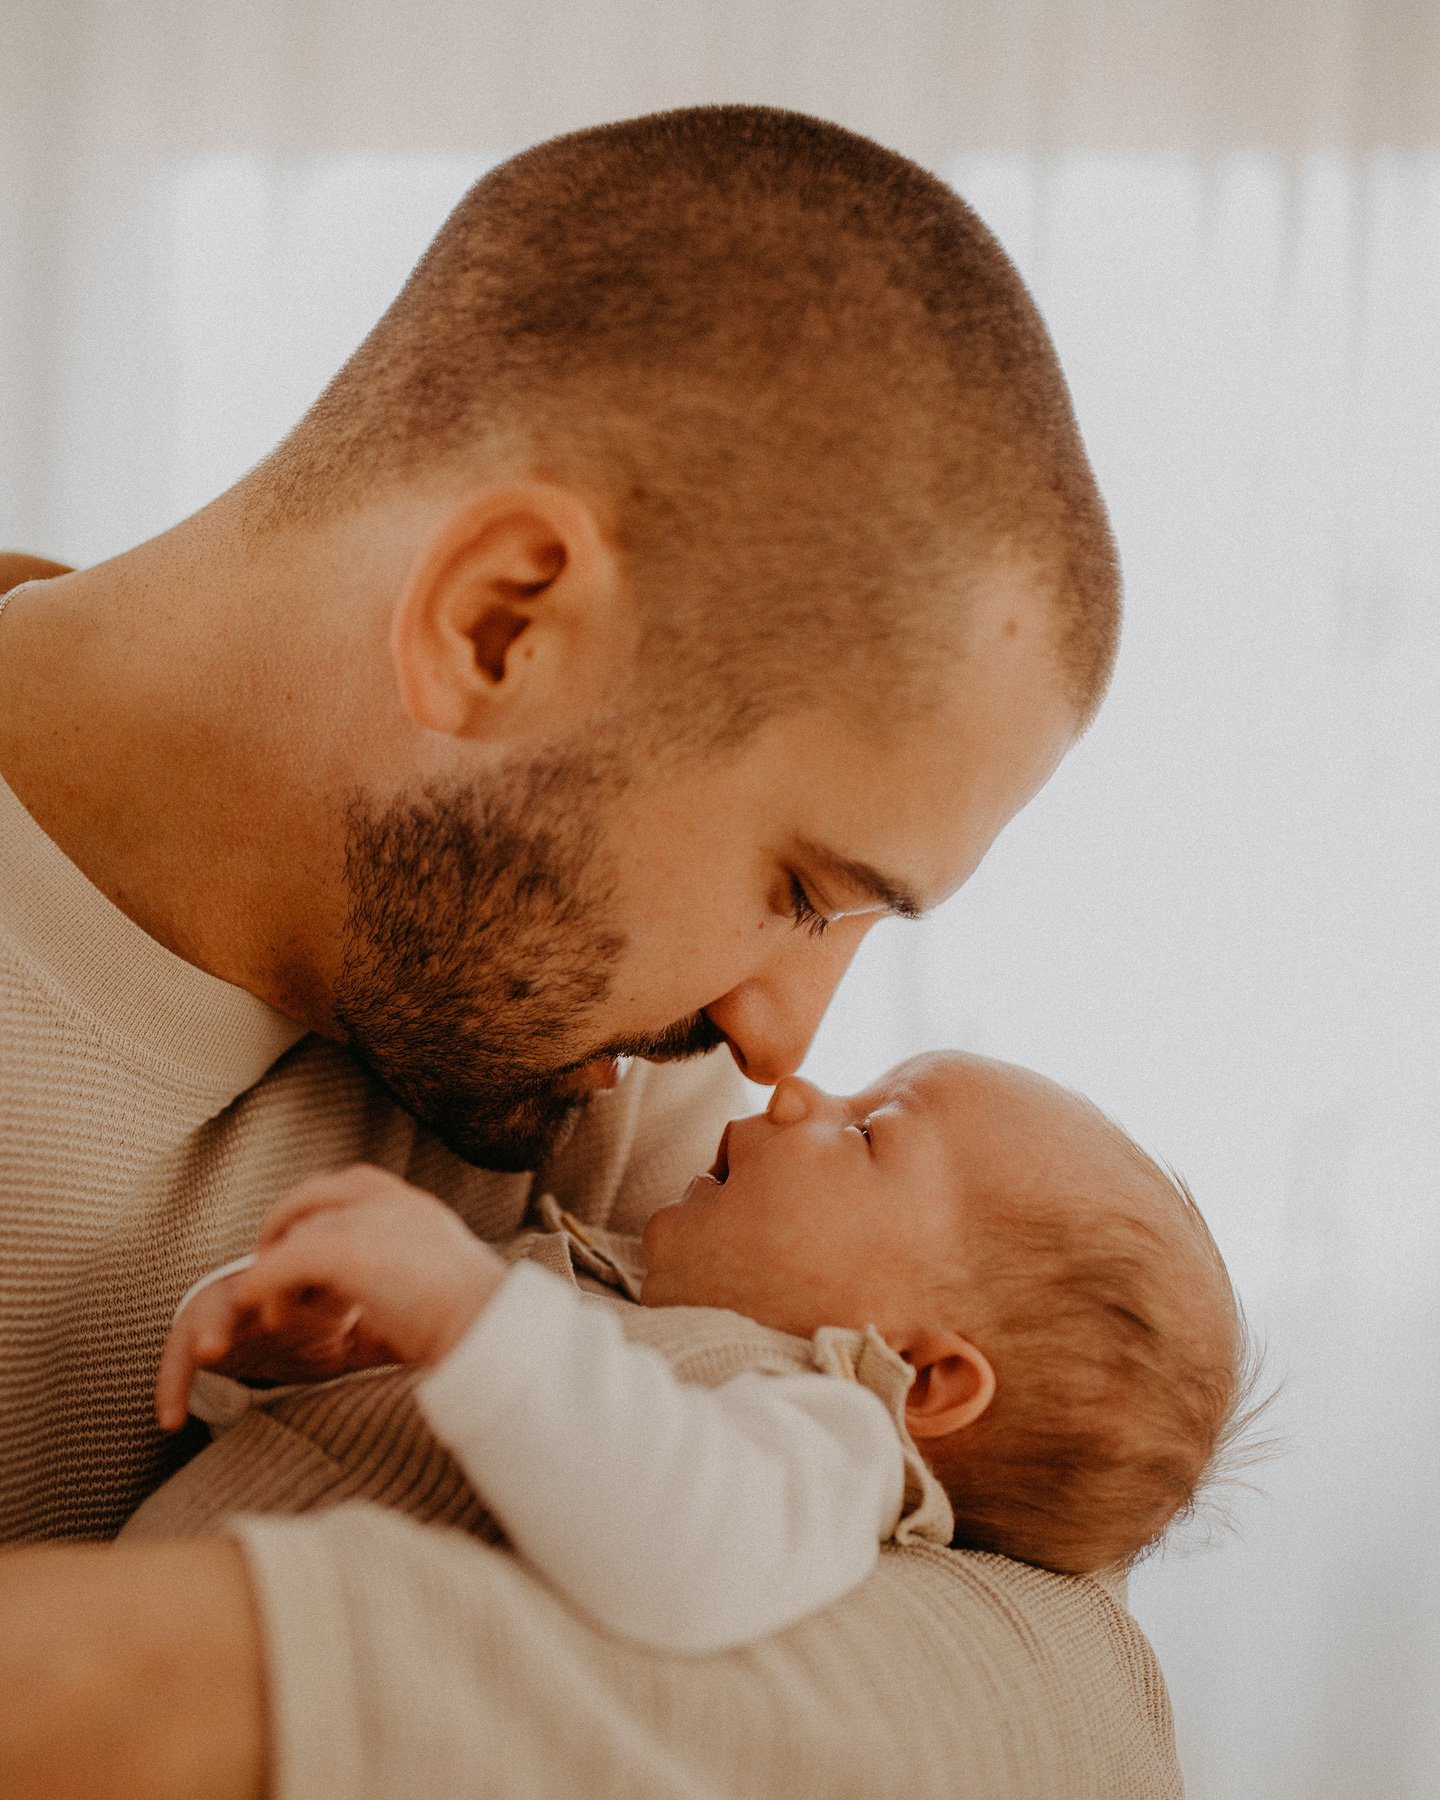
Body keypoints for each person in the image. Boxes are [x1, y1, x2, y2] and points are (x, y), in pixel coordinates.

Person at [0, 104, 1170, 1799]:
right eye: (796, 887)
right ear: (499, 625)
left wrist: (196, 1673)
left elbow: (1082, 1699)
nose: (781, 1047)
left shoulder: (618, 1118)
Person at [143, 1052, 1246, 1657]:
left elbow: (686, 1548)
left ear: (926, 1376)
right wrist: (291, 1346)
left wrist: (462, 1312)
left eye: (866, 1132)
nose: (799, 1092)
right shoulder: (607, 1289)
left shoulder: (829, 1433)